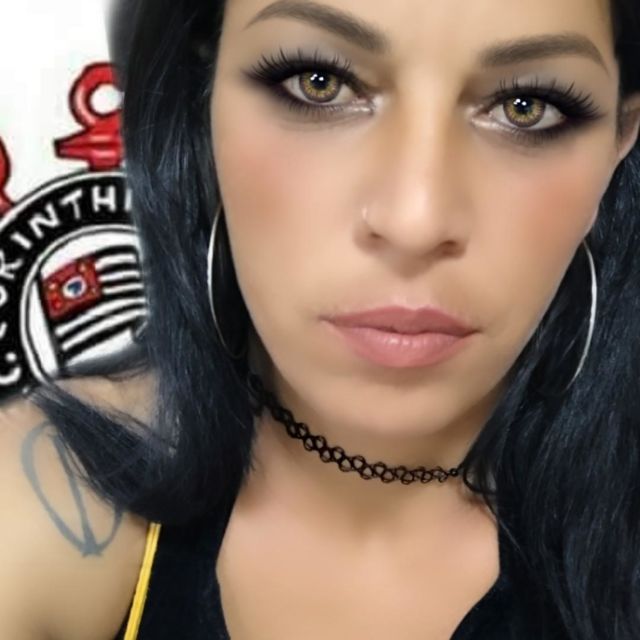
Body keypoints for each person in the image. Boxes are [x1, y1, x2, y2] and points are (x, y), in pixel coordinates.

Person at [1, 0, 639, 637]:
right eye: (320, 82)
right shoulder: (47, 500)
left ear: (620, 136)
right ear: (204, 97)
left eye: (527, 106)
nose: (415, 220)